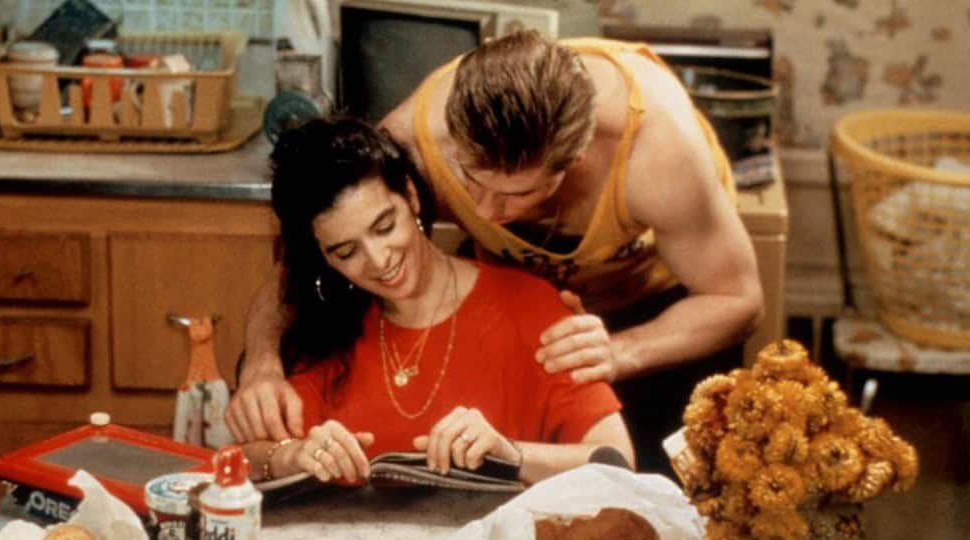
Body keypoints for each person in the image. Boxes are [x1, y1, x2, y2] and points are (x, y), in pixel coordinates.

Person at [231, 31, 763, 476]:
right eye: (469, 182)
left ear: (574, 161)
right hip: (517, 289)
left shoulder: (657, 152)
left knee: (659, 494)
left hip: (663, 306)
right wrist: (260, 361)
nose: (485, 213)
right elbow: (309, 257)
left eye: (517, 194)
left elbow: (737, 299)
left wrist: (622, 351)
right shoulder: (414, 142)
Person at [234, 117, 633, 485]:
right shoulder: (328, 321)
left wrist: (513, 455)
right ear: (323, 255)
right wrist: (293, 457)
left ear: (411, 197)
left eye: (385, 226)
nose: (379, 260)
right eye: (346, 252)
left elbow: (617, 463)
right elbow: (242, 457)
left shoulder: (532, 308)